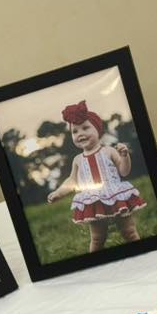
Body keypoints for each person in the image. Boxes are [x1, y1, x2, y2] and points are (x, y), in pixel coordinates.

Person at [47, 100, 147, 253]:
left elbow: (124, 171)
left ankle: (142, 253)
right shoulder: (78, 160)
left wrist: (125, 156)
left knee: (129, 231)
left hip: (116, 196)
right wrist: (58, 193)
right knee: (97, 238)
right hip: (94, 201)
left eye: (85, 128)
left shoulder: (108, 151)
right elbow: (72, 181)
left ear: (98, 129)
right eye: (75, 131)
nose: (80, 133)